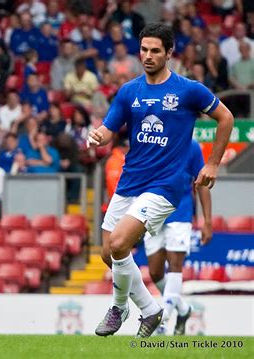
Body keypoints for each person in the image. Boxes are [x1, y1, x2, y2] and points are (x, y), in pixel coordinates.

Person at [87, 23, 233, 338]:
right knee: (107, 253)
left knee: (119, 243)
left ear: (169, 53)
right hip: (131, 181)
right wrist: (99, 135)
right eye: (144, 50)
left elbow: (226, 118)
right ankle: (152, 310)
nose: (148, 56)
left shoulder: (189, 90)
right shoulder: (129, 91)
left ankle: (119, 307)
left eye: (155, 50)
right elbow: (109, 128)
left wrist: (213, 164)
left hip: (165, 187)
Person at [144, 139, 212, 336]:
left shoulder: (191, 146)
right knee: (156, 273)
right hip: (153, 213)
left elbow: (202, 183)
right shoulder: (151, 141)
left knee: (175, 265)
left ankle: (161, 321)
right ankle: (183, 310)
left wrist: (206, 220)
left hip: (180, 212)